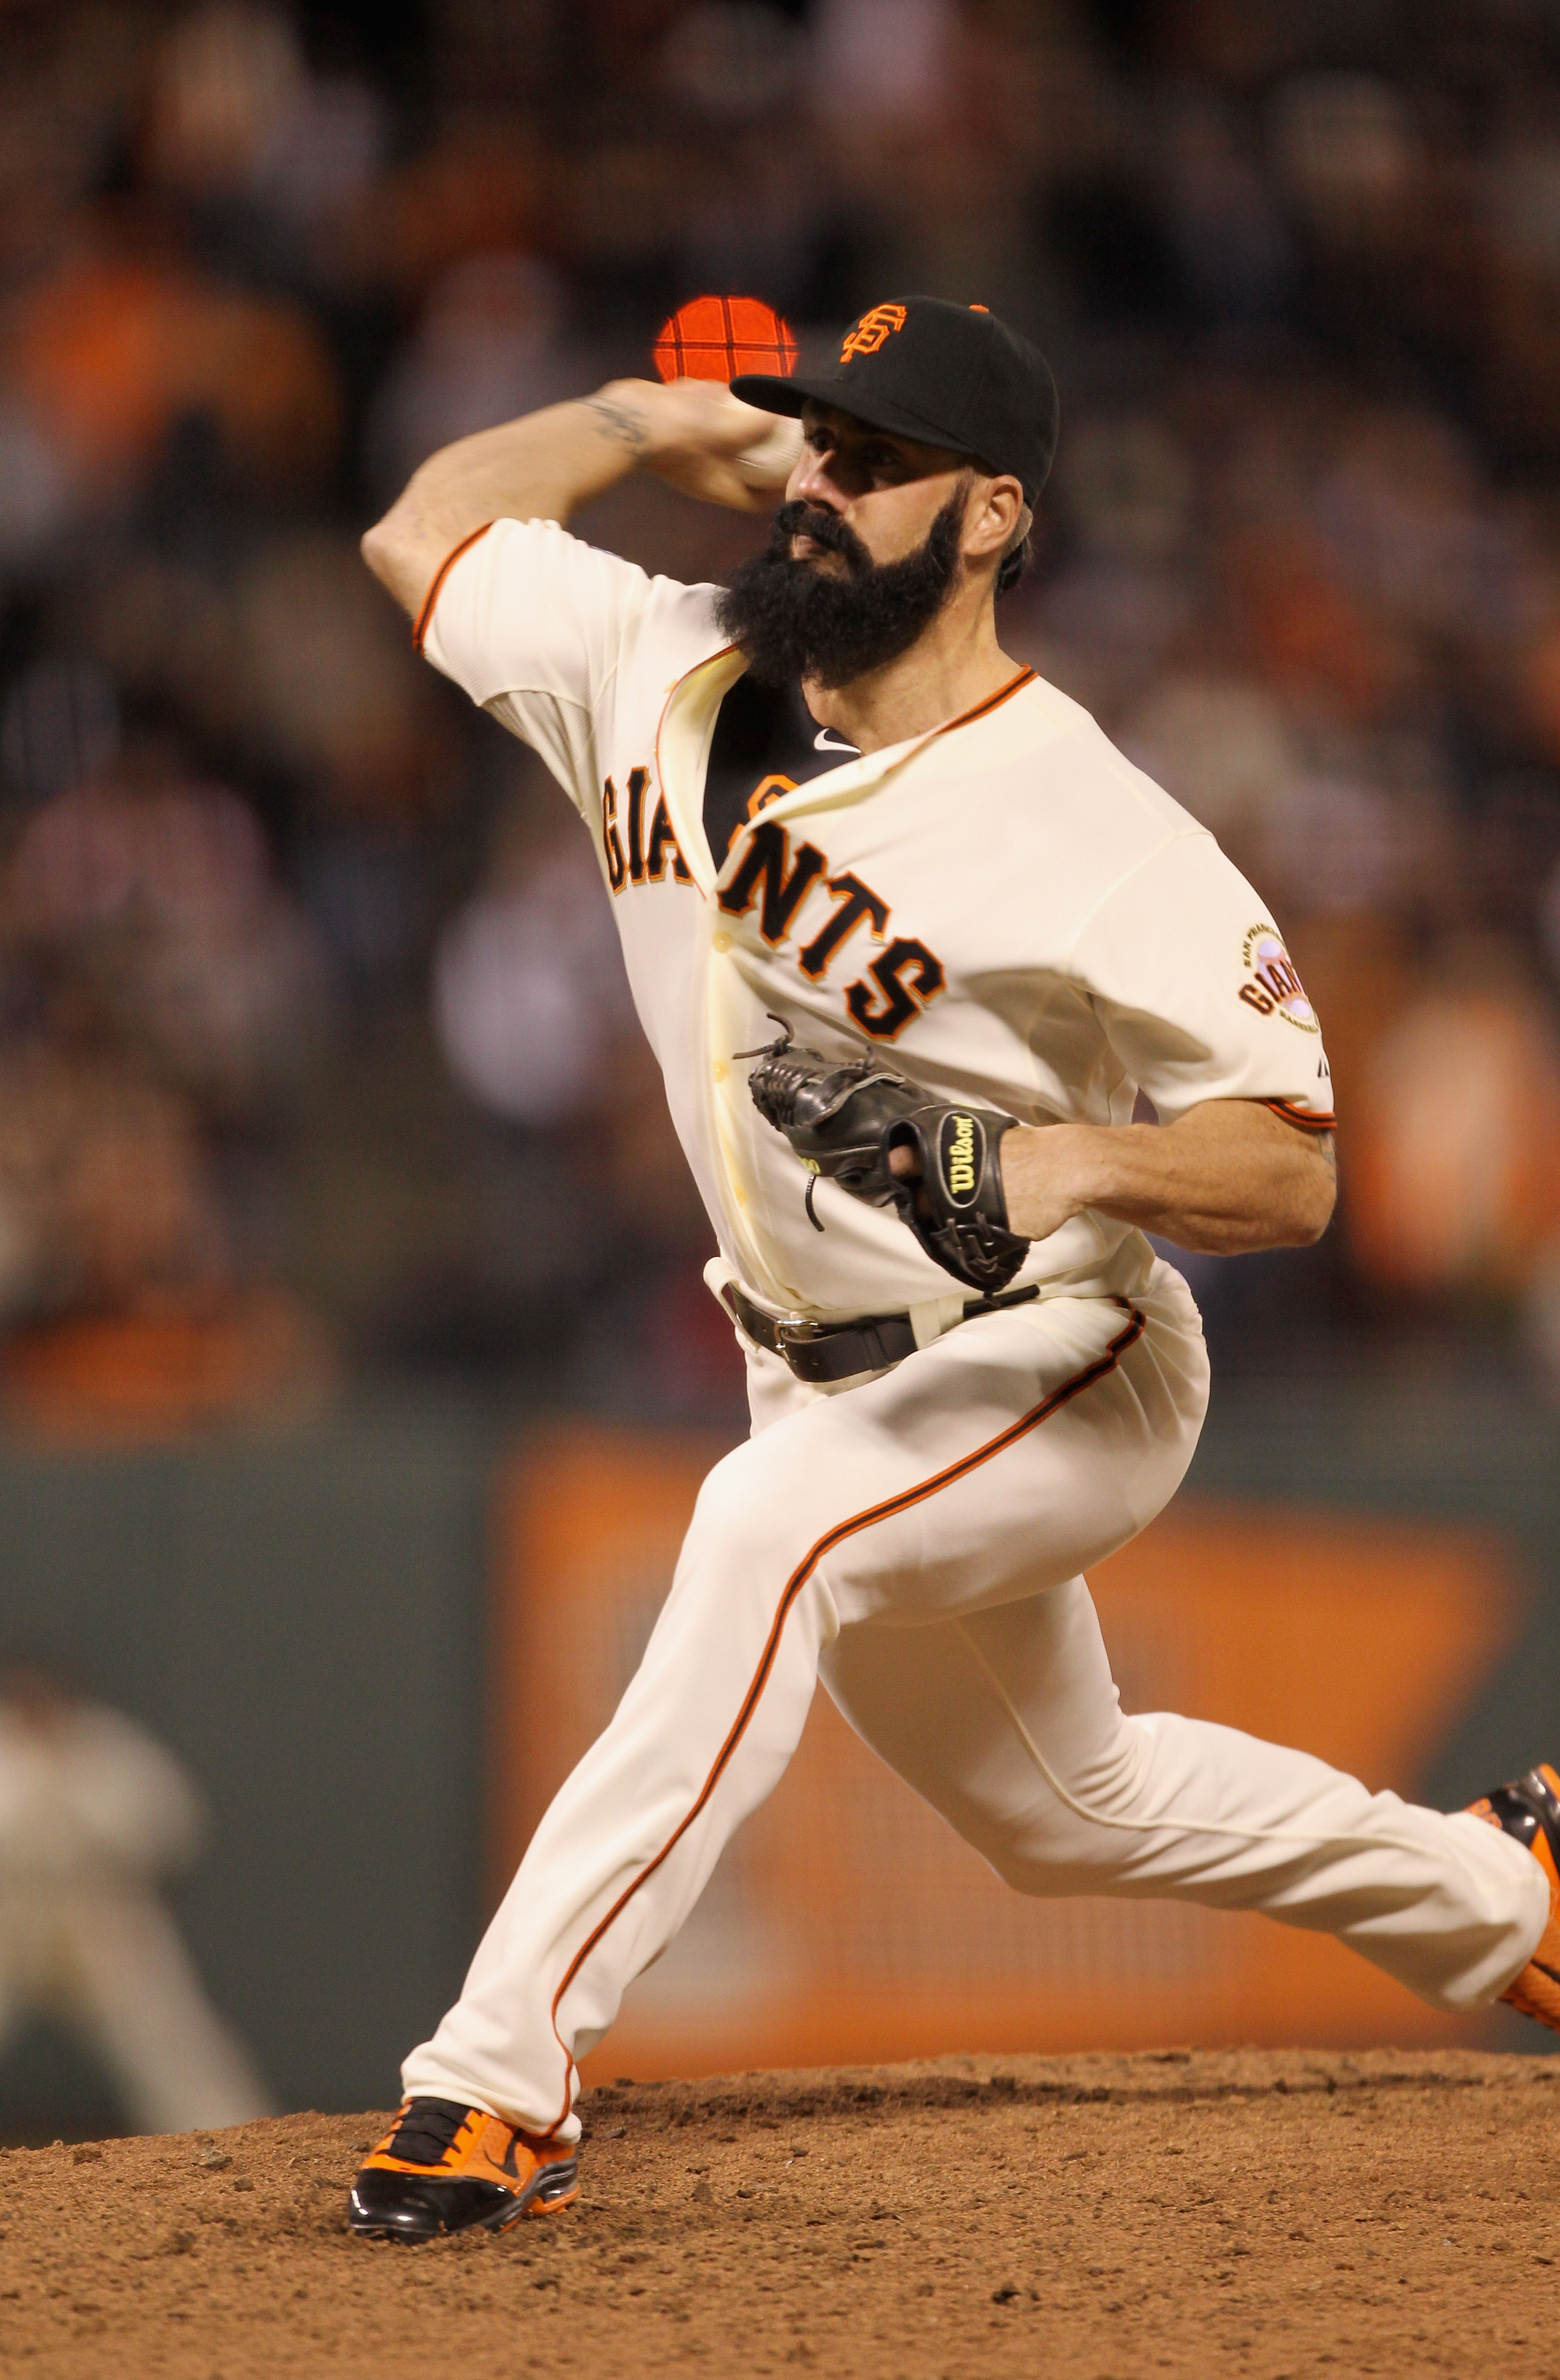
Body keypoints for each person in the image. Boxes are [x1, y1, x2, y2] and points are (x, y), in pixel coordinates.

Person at [347, 297, 1560, 2240]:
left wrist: (1047, 1155)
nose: (822, 489)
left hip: (1052, 1352)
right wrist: (633, 420)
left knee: (763, 1533)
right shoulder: (649, 655)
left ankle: (499, 2073)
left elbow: (1290, 1170)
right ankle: (1505, 1896)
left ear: (988, 514)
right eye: (819, 445)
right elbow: (419, 531)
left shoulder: (1094, 828)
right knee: (1058, 1810)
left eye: (876, 462)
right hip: (811, 1365)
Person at [0, 1661, 273, 2134]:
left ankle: (229, 2139)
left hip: (100, 1910)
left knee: (168, 2039)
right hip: (13, 1909)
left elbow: (173, 1828)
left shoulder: (107, 1747)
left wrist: (72, 1787)